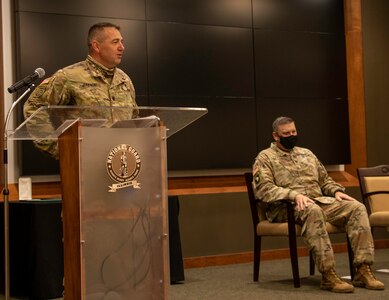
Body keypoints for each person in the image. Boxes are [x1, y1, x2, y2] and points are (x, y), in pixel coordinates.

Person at [252, 116, 385, 293]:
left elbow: (325, 181)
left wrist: (336, 191)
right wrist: (293, 195)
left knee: (357, 208)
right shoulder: (265, 158)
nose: (291, 135)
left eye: (293, 131)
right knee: (311, 210)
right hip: (285, 208)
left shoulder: (307, 154)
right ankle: (328, 275)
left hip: (317, 201)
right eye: (286, 133)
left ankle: (363, 270)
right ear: (276, 136)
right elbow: (263, 189)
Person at [23, 22, 138, 158]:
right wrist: (58, 147)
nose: (122, 47)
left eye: (122, 42)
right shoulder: (69, 77)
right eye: (115, 42)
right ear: (96, 46)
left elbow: (134, 117)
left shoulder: (124, 79)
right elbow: (34, 107)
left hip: (122, 161)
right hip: (84, 162)